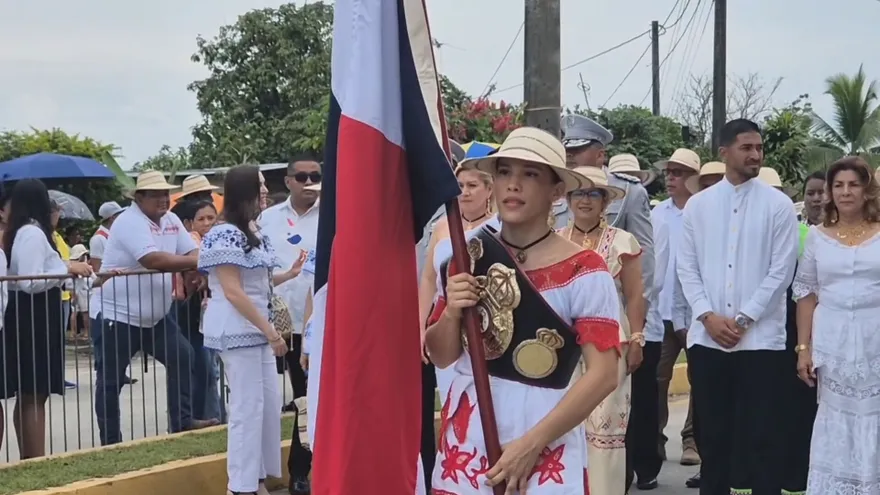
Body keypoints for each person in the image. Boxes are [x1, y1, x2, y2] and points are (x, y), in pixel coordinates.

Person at [426, 127, 621, 494]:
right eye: (504, 173)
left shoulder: (585, 270)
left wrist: (533, 444)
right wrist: (452, 311)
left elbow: (604, 375)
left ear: (557, 191)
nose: (513, 185)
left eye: (530, 174)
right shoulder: (464, 255)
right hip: (471, 429)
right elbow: (441, 355)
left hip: (546, 431)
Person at [677, 119, 798, 494]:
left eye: (759, 148)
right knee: (713, 437)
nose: (755, 155)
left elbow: (781, 271)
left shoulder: (778, 206)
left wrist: (743, 319)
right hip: (708, 340)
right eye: (747, 148)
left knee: (762, 436)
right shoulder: (698, 207)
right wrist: (708, 317)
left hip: (761, 342)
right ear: (724, 152)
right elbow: (687, 267)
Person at [94, 170, 219, 446]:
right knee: (110, 381)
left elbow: (192, 251)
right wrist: (193, 265)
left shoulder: (172, 219)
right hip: (119, 314)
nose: (164, 199)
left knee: (183, 357)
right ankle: (111, 441)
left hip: (156, 316)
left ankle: (182, 421)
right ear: (139, 198)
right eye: (156, 194)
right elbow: (153, 259)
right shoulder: (128, 222)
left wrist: (192, 263)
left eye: (165, 193)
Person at [199, 165, 304, 495]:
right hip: (238, 327)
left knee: (267, 404)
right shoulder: (224, 233)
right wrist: (271, 331)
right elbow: (232, 290)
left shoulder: (253, 230)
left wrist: (288, 275)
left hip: (257, 325)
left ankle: (256, 477)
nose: (264, 190)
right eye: (259, 185)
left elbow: (256, 282)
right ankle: (240, 486)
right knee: (246, 406)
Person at [795, 157, 880, 493]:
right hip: (832, 342)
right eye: (839, 185)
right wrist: (804, 348)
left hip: (875, 337)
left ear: (866, 190)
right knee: (837, 418)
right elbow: (806, 293)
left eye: (853, 184)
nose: (846, 192)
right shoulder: (817, 237)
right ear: (830, 192)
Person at [558, 166, 645, 495]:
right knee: (564, 425)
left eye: (594, 193)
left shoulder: (623, 241)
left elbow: (635, 294)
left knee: (605, 430)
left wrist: (637, 338)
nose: (585, 200)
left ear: (606, 201)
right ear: (567, 199)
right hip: (563, 346)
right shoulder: (554, 240)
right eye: (579, 193)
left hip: (611, 344)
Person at [1, 179, 92, 458]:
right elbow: (31, 279)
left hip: (33, 314)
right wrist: (65, 271)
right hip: (35, 315)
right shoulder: (32, 232)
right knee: (34, 392)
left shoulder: (26, 232)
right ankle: (35, 457)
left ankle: (32, 456)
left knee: (33, 394)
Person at [652, 149, 702, 472]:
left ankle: (692, 441)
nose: (671, 178)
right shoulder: (657, 213)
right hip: (661, 311)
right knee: (657, 379)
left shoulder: (702, 213)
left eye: (678, 172)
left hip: (696, 313)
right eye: (669, 172)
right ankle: (654, 441)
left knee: (701, 380)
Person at [259, 155, 321, 412]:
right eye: (301, 177)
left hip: (320, 307)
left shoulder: (334, 214)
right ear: (288, 181)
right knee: (294, 366)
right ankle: (301, 407)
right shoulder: (268, 218)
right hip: (283, 309)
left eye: (315, 177)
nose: (308, 182)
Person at [171, 199, 222, 422]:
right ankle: (202, 416)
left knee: (208, 367)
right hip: (190, 310)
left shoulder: (216, 240)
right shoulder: (191, 242)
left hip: (206, 309)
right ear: (189, 223)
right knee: (202, 365)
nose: (207, 223)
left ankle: (210, 414)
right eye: (201, 219)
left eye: (211, 218)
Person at [67, 244, 96, 343]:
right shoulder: (83, 266)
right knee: (85, 312)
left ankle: (72, 332)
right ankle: (87, 332)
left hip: (74, 290)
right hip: (83, 290)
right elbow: (93, 279)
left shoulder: (71, 267)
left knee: (74, 312)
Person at [89, 201, 125, 272]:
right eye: (120, 215)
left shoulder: (113, 235)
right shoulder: (98, 239)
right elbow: (97, 268)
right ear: (112, 218)